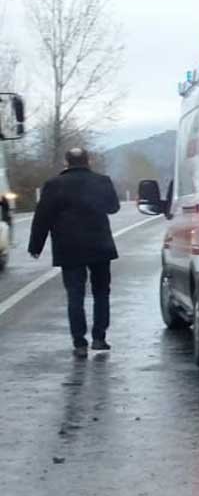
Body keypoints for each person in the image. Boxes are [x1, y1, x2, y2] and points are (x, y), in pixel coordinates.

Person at [28, 146, 121, 357]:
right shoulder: (102, 181)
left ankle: (79, 342)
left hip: (68, 247)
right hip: (99, 245)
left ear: (66, 162)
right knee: (101, 292)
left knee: (75, 295)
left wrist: (36, 247)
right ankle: (99, 338)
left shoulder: (53, 185)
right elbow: (113, 207)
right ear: (88, 161)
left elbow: (42, 218)